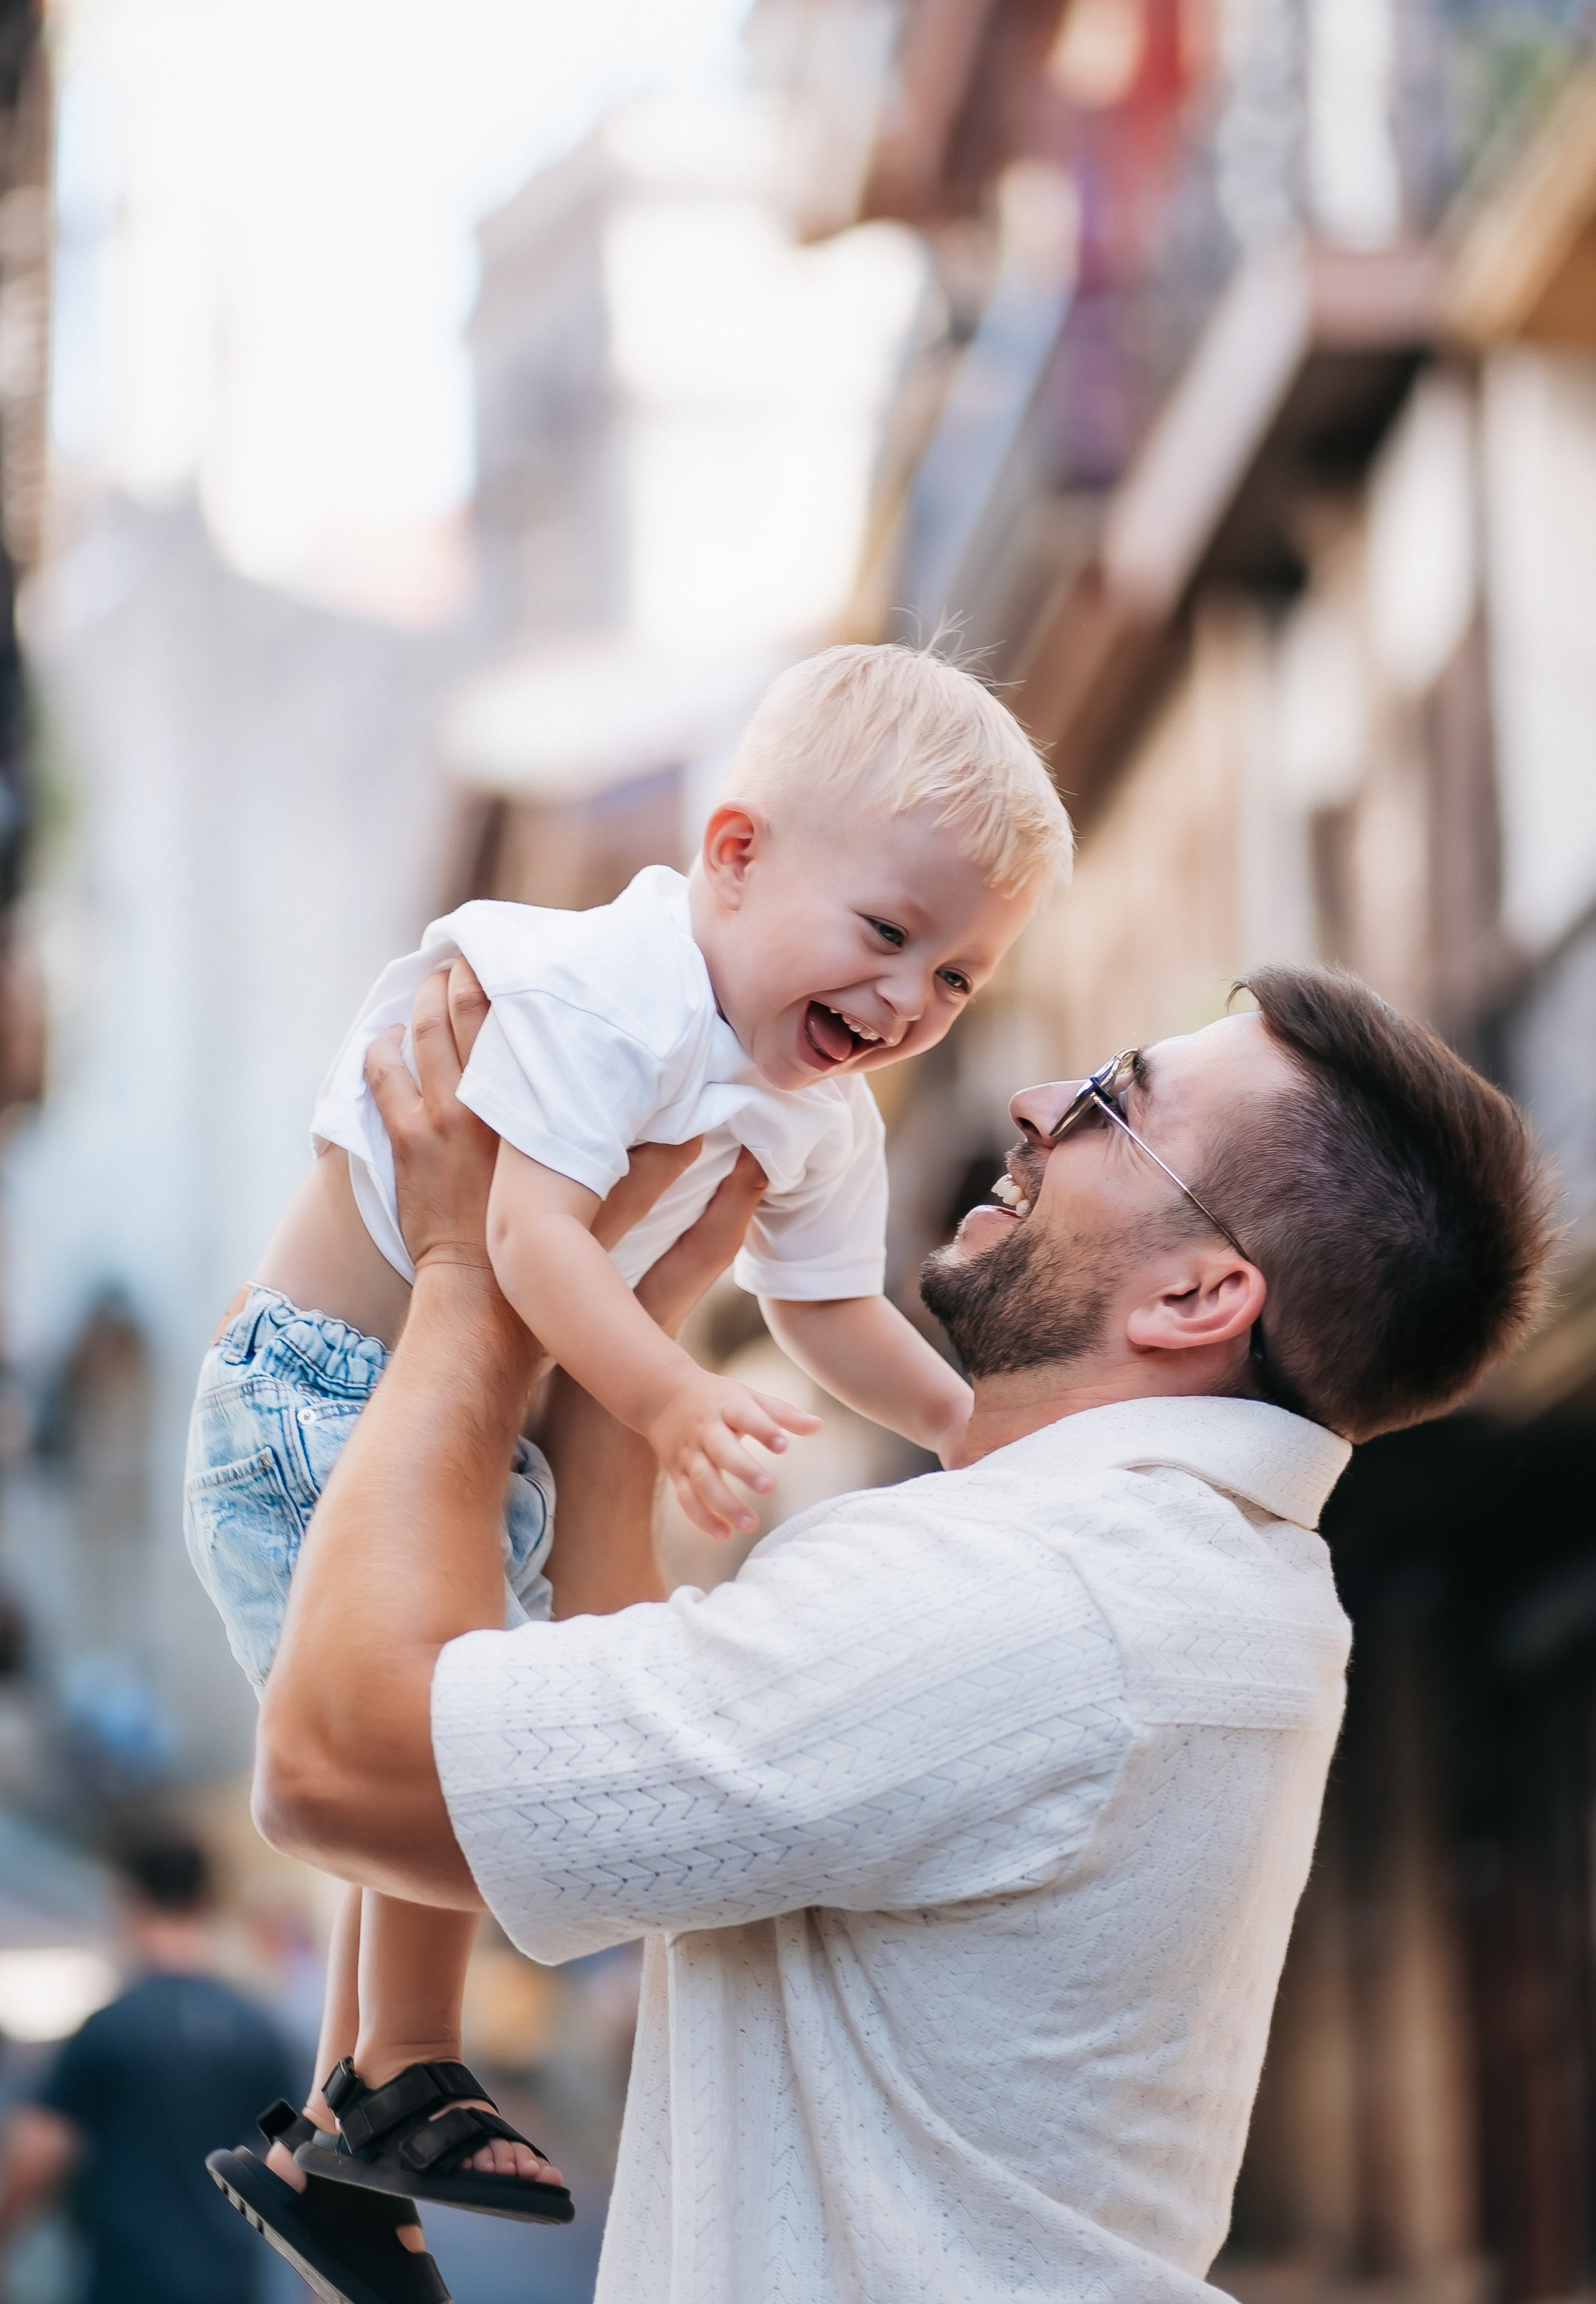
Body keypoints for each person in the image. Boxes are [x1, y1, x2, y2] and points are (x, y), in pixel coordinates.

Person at [236, 955, 1554, 2304]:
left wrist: (470, 1271)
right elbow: (655, 1792)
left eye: (1113, 1101)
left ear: (1195, 1298)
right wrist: (618, 1357)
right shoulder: (1191, 1576)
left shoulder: (1034, 1595)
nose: (1038, 1101)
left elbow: (341, 1766)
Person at [185, 640, 1072, 2236]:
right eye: (883, 933)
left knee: (465, 1719)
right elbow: (519, 1238)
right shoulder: (611, 994)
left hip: (467, 1429)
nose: (902, 1003)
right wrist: (666, 1399)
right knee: (442, 1739)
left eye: (956, 978)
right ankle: (396, 2074)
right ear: (731, 856)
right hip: (317, 1396)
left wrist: (968, 1424)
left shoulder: (817, 1108)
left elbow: (827, 1307)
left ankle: (338, 2137)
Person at [0, 1832, 297, 2304]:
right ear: (207, 1900)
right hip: (231, 2286)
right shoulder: (260, 2030)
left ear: (128, 1900)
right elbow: (298, 2165)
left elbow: (39, 2152)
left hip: (127, 2284)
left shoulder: (110, 2027)